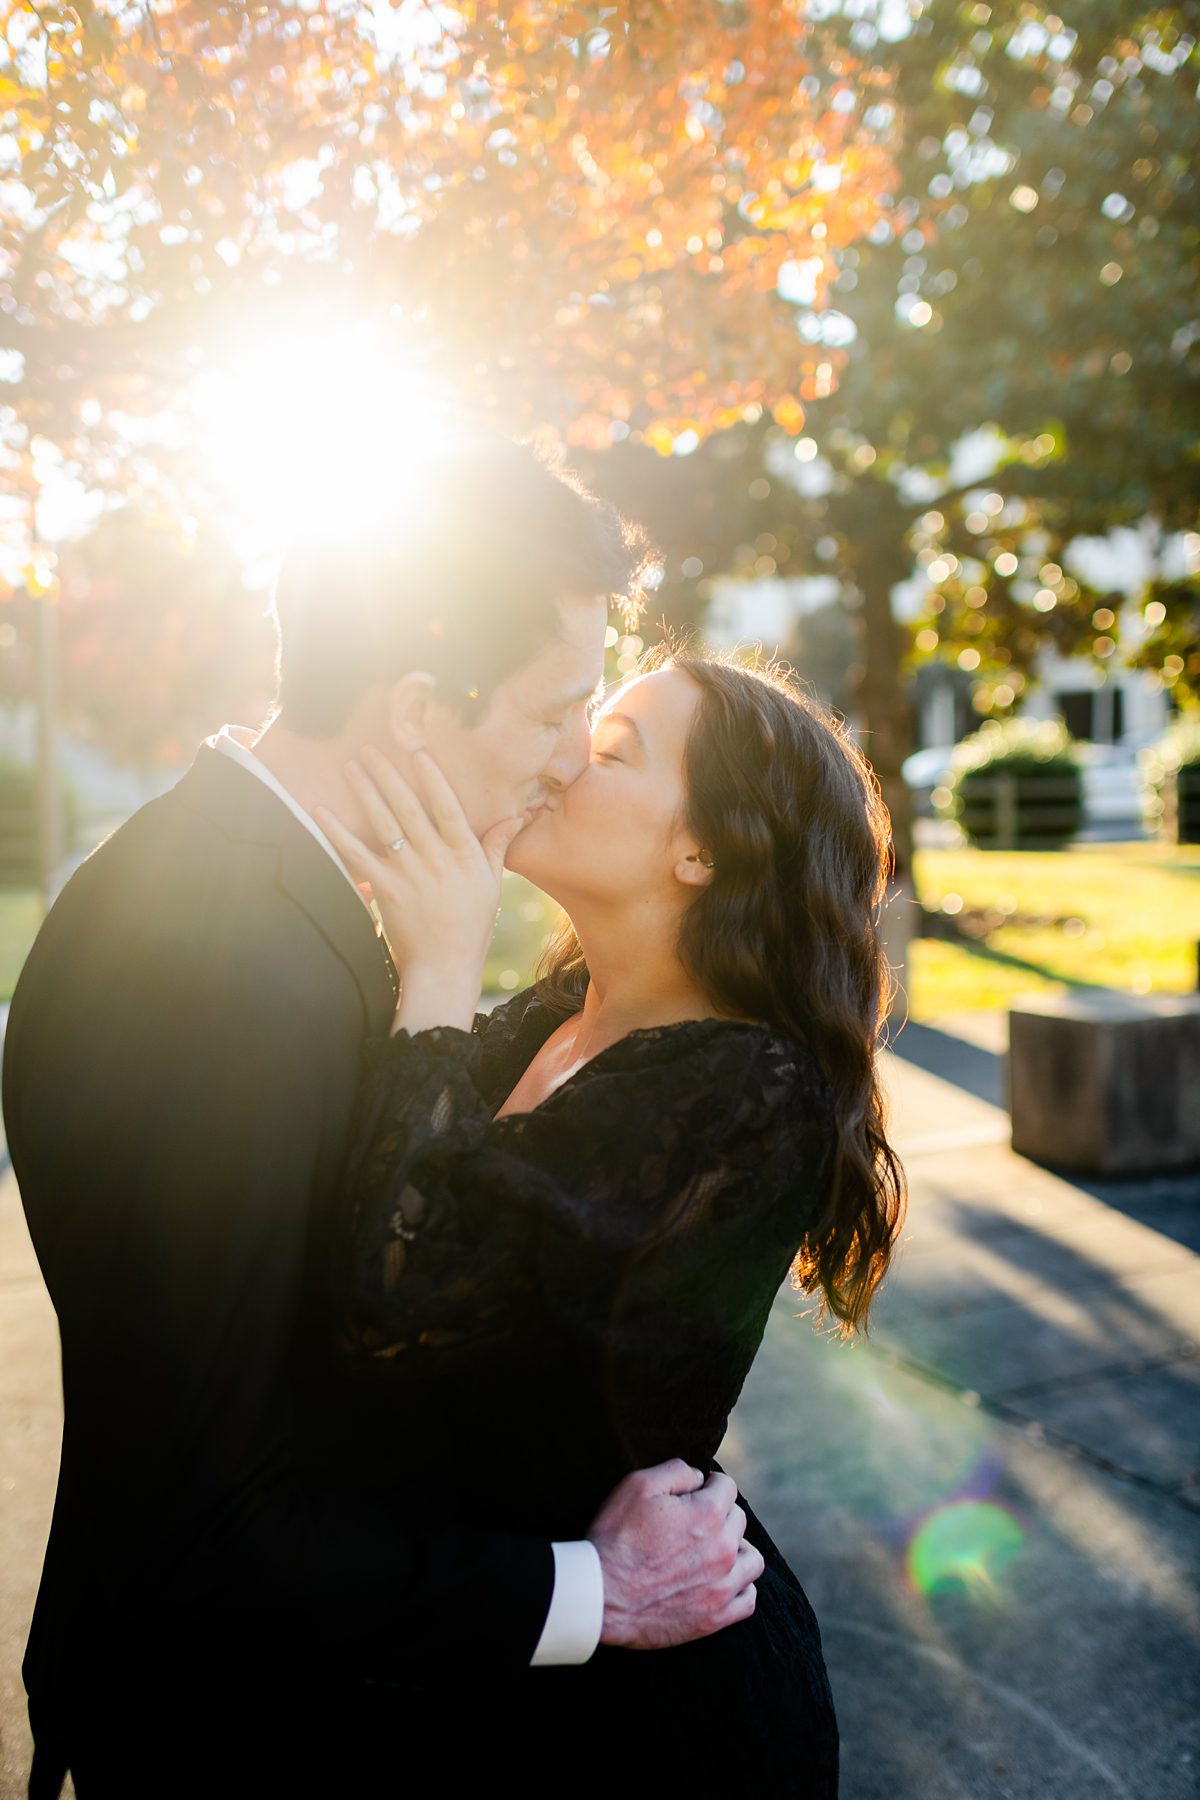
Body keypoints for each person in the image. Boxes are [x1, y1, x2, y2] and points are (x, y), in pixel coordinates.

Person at [2, 438, 761, 1800]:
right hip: (235, 1732)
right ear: (419, 709)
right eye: (554, 716)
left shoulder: (254, 883)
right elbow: (223, 1509)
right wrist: (597, 1591)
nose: (561, 769)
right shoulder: (217, 973)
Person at [317, 645, 909, 1794]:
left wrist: (437, 967)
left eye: (606, 751)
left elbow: (390, 1314)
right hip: (496, 1649)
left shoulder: (751, 1089)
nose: (555, 761)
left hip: (649, 1716)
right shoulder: (555, 1015)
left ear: (702, 849)